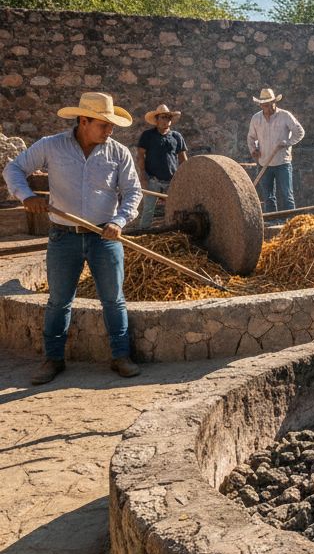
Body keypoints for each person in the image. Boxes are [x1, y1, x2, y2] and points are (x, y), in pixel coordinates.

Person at [2, 91, 143, 384]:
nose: (110, 130)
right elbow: (13, 168)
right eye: (103, 124)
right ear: (83, 120)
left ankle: (121, 356)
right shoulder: (51, 147)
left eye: (111, 124)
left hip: (105, 236)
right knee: (58, 301)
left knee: (113, 300)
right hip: (63, 237)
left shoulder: (118, 152)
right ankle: (53, 359)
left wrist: (119, 220)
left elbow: (133, 192)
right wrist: (26, 196)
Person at [247, 87, 305, 212]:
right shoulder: (256, 119)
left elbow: (299, 132)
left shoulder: (285, 116)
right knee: (268, 197)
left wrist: (288, 143)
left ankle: (291, 223)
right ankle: (272, 222)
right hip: (264, 164)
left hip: (282, 162)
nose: (266, 108)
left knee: (287, 196)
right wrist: (254, 150)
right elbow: (251, 138)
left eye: (268, 105)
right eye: (263, 105)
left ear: (274, 103)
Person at [133, 102, 188, 230]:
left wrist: (185, 176)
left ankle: (173, 232)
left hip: (172, 181)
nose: (166, 120)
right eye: (163, 117)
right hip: (153, 180)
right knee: (148, 210)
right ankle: (142, 234)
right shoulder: (148, 136)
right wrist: (142, 176)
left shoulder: (177, 137)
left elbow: (183, 158)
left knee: (176, 209)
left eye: (168, 117)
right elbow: (140, 156)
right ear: (156, 120)